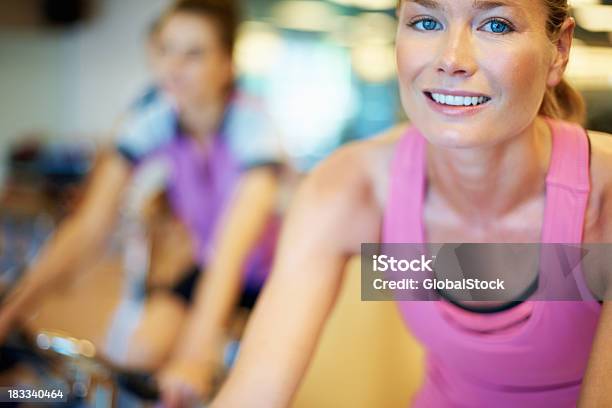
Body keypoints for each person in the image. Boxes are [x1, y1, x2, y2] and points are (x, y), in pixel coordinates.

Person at [211, 0, 612, 407]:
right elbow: (253, 393)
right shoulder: (355, 185)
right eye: (425, 21)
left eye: (495, 24)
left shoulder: (605, 197)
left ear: (559, 51)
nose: (451, 59)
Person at [0, 0, 283, 406]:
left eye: (194, 54)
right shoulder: (156, 116)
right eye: (165, 49)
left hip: (266, 276)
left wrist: (194, 357)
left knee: (245, 384)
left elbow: (232, 253)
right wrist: (12, 310)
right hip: (207, 266)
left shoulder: (252, 126)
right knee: (138, 356)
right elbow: (89, 226)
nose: (173, 66)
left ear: (227, 64)